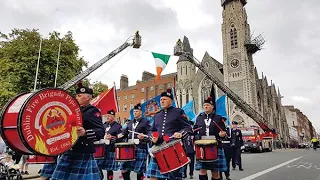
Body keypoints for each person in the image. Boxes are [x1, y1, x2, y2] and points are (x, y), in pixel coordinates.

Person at [51, 83, 105, 180]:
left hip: (82, 150)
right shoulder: (71, 110)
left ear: (88, 98)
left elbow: (101, 131)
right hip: (67, 149)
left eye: (79, 96)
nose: (76, 97)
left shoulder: (92, 111)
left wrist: (85, 132)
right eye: (76, 95)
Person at [146, 88, 192, 180]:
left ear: (171, 101)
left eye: (165, 99)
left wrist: (180, 133)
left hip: (174, 150)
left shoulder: (178, 112)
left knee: (173, 178)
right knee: (153, 177)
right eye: (161, 100)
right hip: (158, 149)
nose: (162, 101)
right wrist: (153, 136)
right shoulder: (157, 115)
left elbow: (188, 128)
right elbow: (151, 130)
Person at [194, 97, 227, 180]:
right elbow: (194, 130)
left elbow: (224, 132)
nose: (205, 107)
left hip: (215, 147)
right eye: (204, 105)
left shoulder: (218, 118)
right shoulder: (199, 118)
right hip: (201, 147)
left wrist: (222, 134)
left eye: (208, 105)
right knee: (202, 171)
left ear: (212, 106)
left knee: (215, 172)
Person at [118, 103, 151, 180]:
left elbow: (150, 133)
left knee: (139, 170)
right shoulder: (130, 122)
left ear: (141, 112)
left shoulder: (145, 122)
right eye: (134, 111)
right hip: (129, 148)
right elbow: (124, 133)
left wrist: (144, 136)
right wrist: (120, 135)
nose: (135, 112)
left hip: (140, 147)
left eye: (137, 111)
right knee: (124, 168)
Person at [97, 109, 122, 180]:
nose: (107, 117)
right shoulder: (104, 125)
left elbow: (120, 138)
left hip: (111, 149)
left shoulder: (118, 126)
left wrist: (113, 138)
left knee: (109, 169)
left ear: (113, 117)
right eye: (106, 116)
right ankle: (100, 177)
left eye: (109, 116)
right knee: (98, 166)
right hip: (102, 149)